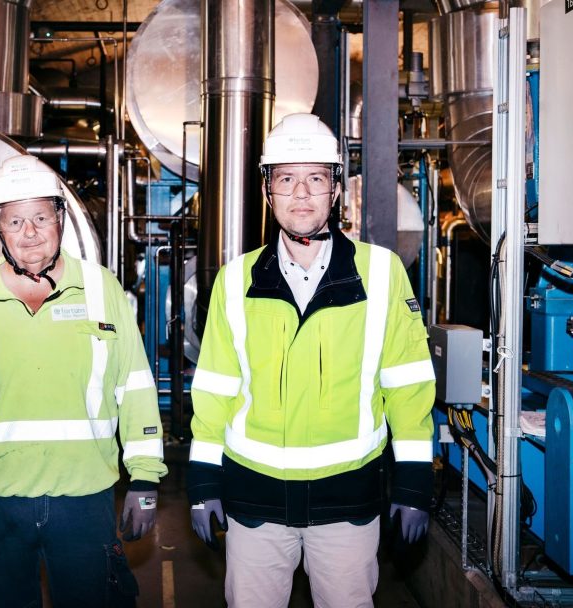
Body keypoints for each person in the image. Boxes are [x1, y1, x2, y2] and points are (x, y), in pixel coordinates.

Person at [186, 113, 435, 607]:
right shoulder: (235, 280)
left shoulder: (381, 274)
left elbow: (408, 387)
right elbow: (214, 388)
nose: (300, 193)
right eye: (286, 178)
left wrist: (413, 483)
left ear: (337, 189)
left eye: (315, 178)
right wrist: (202, 479)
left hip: (347, 503)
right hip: (253, 503)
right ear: (267, 191)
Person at [0, 154, 167, 607]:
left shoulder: (100, 288)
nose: (29, 233)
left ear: (61, 219)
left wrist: (144, 479)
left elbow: (135, 387)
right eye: (15, 221)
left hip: (84, 499)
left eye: (41, 217)